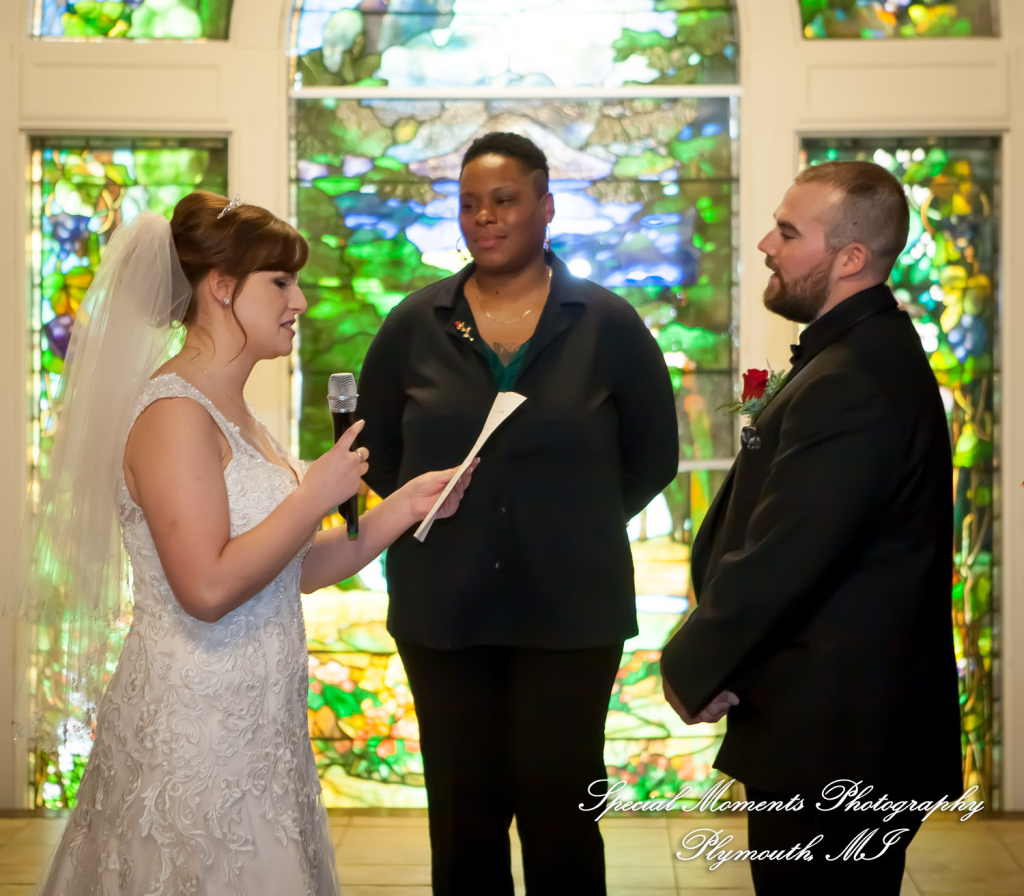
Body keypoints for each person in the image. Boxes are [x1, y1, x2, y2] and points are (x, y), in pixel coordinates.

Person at [11, 192, 474, 895]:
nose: (301, 302)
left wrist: (405, 506)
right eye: (281, 282)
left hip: (264, 728)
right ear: (222, 289)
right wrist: (311, 493)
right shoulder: (172, 413)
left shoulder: (241, 415)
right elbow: (206, 588)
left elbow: (301, 566)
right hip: (194, 729)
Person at [357, 131, 679, 895]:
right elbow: (374, 450)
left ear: (545, 206)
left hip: (572, 611)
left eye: (503, 200)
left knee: (562, 808)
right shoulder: (414, 325)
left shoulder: (608, 325)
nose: (485, 217)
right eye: (469, 204)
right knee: (464, 816)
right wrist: (442, 513)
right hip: (444, 609)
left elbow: (653, 455)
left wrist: (572, 518)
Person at [660, 162, 963, 894]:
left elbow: (790, 552)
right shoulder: (855, 354)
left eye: (789, 232)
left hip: (839, 740)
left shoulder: (854, 378)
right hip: (834, 725)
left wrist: (693, 663)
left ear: (851, 257)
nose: (766, 242)